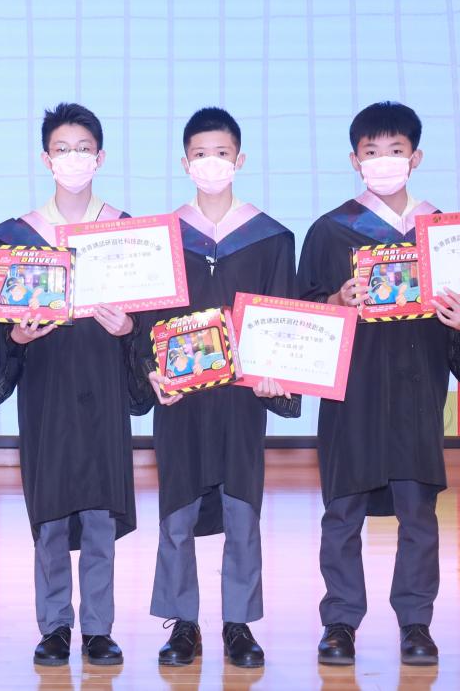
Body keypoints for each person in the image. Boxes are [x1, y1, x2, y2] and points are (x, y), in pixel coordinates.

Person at [297, 101, 460, 667]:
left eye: (395, 150)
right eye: (372, 151)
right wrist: (336, 300)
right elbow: (303, 314)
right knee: (342, 512)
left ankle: (416, 622)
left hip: (415, 389)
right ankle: (340, 622)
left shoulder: (442, 232)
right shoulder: (329, 231)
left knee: (418, 512)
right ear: (355, 160)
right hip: (351, 394)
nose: (384, 160)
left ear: (416, 157)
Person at [128, 108, 298, 668]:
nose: (211, 163)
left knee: (242, 509)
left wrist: (278, 376)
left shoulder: (271, 238)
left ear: (239, 160)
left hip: (242, 399)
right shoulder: (161, 238)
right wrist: (150, 372)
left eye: (221, 153)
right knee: (177, 510)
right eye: (200, 154)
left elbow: (283, 318)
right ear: (185, 163)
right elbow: (145, 322)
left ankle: (238, 623)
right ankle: (182, 624)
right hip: (181, 400)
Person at [0, 103, 136, 668]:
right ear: (47, 159)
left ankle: (98, 629)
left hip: (103, 389)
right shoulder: (17, 239)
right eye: (62, 149)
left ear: (100, 157)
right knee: (49, 516)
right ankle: (54, 627)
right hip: (46, 393)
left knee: (99, 515)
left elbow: (147, 319)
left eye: (83, 148)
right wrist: (15, 336)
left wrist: (130, 329)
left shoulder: (125, 235)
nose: (73, 158)